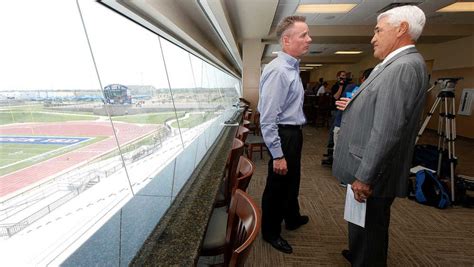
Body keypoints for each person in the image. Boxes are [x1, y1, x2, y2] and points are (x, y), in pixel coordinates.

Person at [332, 5, 428, 266]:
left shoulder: (403, 67)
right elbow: (382, 109)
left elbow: (388, 128)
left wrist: (365, 176)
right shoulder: (391, 65)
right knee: (362, 228)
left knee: (372, 231)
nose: (373, 37)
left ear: (402, 29)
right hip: (367, 164)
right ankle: (358, 254)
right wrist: (355, 105)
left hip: (373, 172)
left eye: (378, 30)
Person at [258, 15, 312, 254]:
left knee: (292, 180)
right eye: (304, 35)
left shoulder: (292, 67)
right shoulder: (279, 71)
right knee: (277, 186)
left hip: (294, 134)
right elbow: (268, 118)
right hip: (284, 135)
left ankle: (291, 217)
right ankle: (270, 232)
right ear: (287, 40)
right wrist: (278, 155)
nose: (309, 39)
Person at [321, 70, 348, 166]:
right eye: (341, 76)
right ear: (337, 77)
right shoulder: (335, 86)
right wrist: (340, 86)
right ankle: (330, 152)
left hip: (346, 111)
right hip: (336, 111)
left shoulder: (349, 86)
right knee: (333, 131)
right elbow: (336, 97)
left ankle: (337, 153)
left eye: (344, 76)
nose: (343, 78)